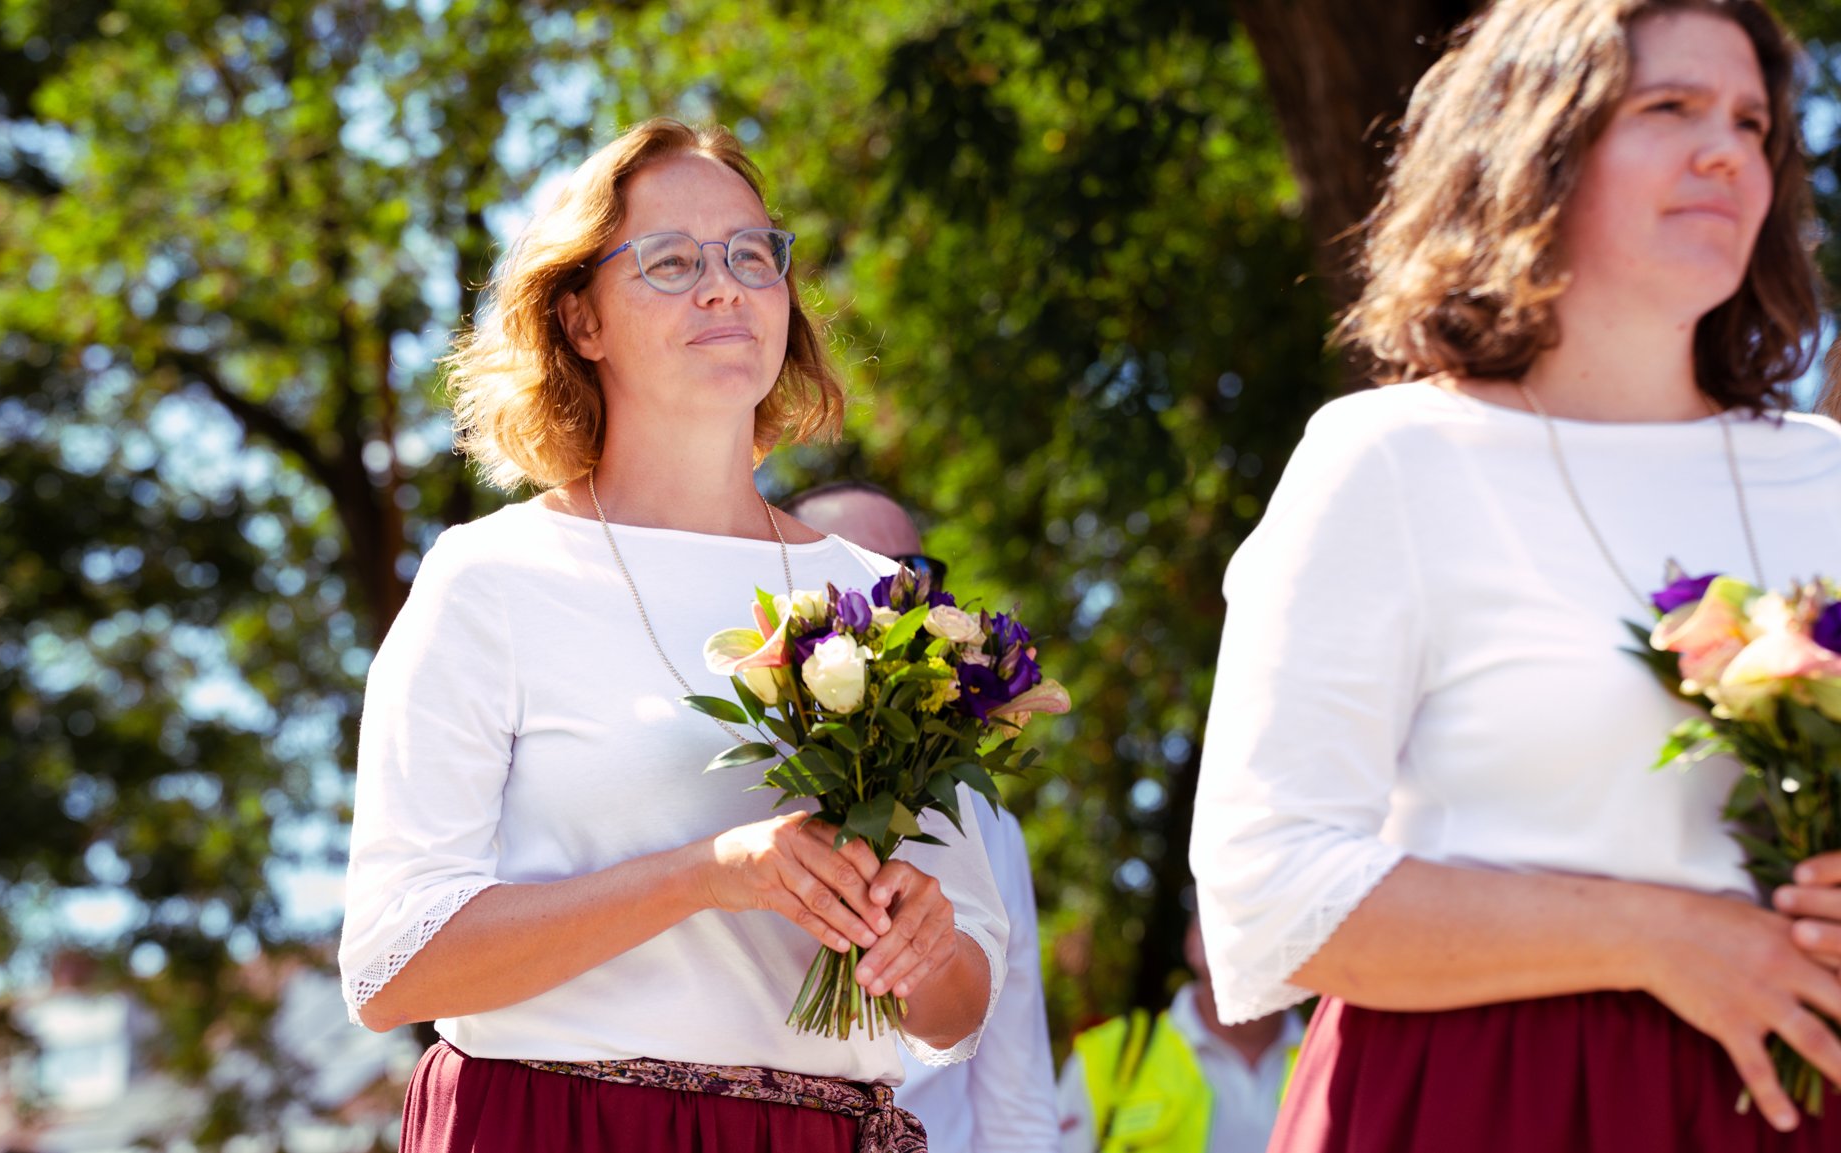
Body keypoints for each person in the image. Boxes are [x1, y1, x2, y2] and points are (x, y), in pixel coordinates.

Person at [1187, 1, 1841, 1150]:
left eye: (1750, 123)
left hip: (1786, 1101)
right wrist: (1662, 938)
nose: (1724, 151)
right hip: (1474, 1098)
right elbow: (1271, 894)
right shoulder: (1387, 457)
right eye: (1669, 108)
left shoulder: (1822, 478)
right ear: (1536, 143)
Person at [336, 118, 1009, 1153]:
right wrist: (704, 873)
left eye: (751, 255)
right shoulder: (491, 579)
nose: (722, 286)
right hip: (555, 1129)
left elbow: (961, 1011)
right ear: (579, 320)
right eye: (669, 261)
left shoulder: (881, 602)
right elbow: (392, 967)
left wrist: (918, 939)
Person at [783, 480, 1061, 1152]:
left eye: (910, 576)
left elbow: (1014, 1083)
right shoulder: (739, 796)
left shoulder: (991, 829)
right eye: (853, 569)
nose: (889, 603)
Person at [1055, 906, 1301, 1153]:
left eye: (1265, 918)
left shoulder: (1330, 1059)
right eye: (1230, 910)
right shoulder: (1105, 1056)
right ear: (1192, 941)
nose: (1247, 935)